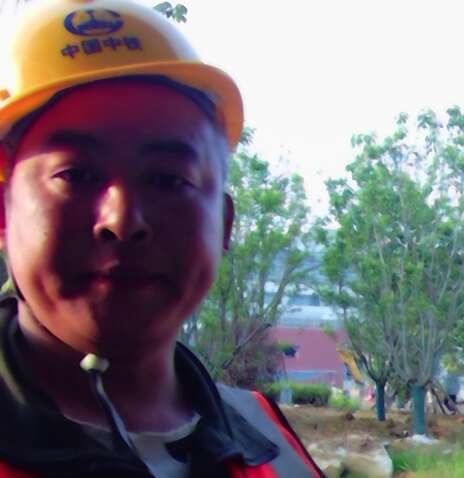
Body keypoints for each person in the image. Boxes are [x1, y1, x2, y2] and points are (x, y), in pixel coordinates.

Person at [0, 0, 324, 477]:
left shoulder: (271, 448)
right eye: (77, 175)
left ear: (224, 224)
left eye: (169, 180)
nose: (123, 221)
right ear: (4, 211)